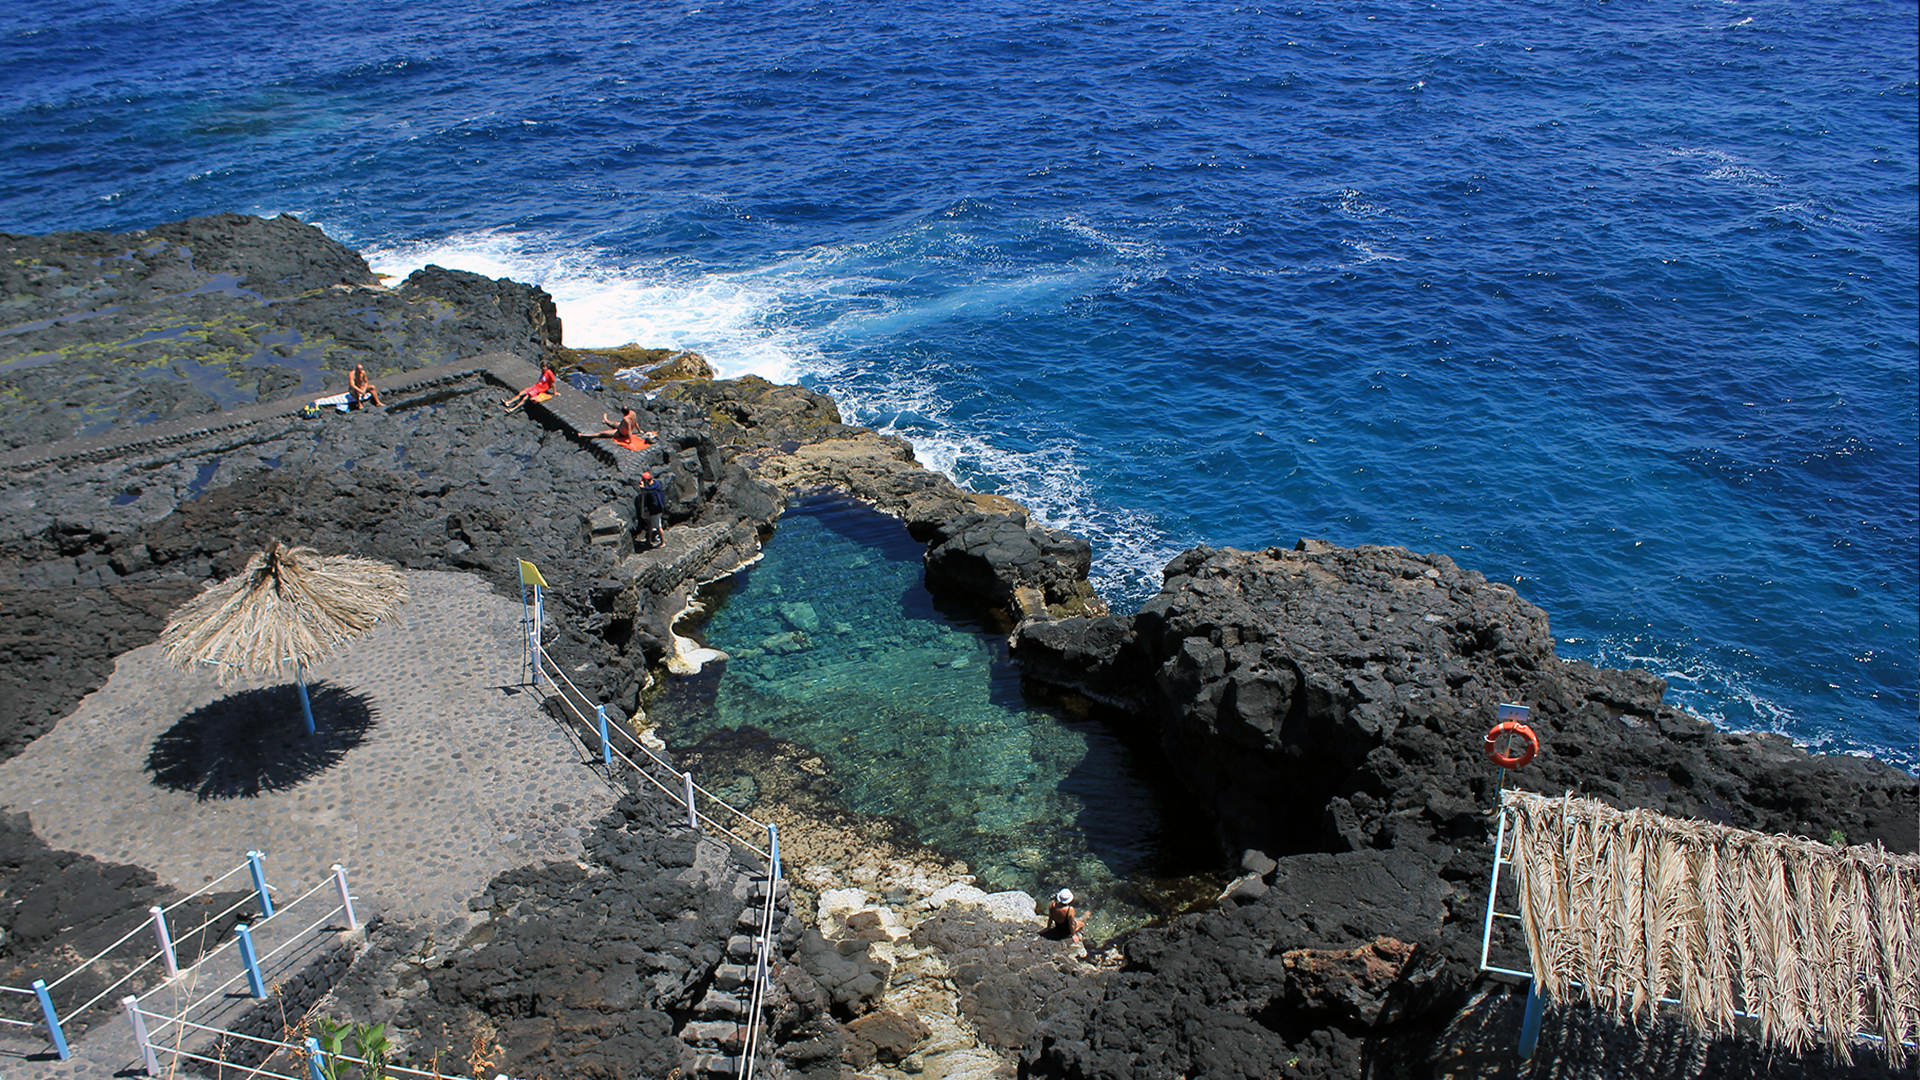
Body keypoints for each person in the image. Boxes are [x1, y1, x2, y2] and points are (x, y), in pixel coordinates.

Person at [637, 471, 667, 548]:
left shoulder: (651, 491)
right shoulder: (656, 484)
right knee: (650, 524)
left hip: (655, 511)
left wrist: (643, 488)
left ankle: (662, 542)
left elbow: (649, 492)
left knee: (658, 527)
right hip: (657, 509)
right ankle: (649, 540)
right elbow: (650, 489)